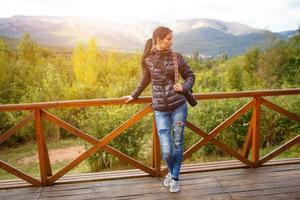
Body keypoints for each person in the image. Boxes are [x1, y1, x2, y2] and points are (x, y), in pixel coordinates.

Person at [123, 26, 195, 193]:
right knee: (167, 149)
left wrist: (184, 86)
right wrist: (134, 95)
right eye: (169, 38)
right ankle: (171, 173)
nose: (172, 41)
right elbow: (145, 79)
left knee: (177, 143)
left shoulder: (177, 58)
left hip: (179, 106)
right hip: (160, 109)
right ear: (159, 39)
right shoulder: (148, 59)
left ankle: (175, 178)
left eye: (171, 38)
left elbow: (191, 75)